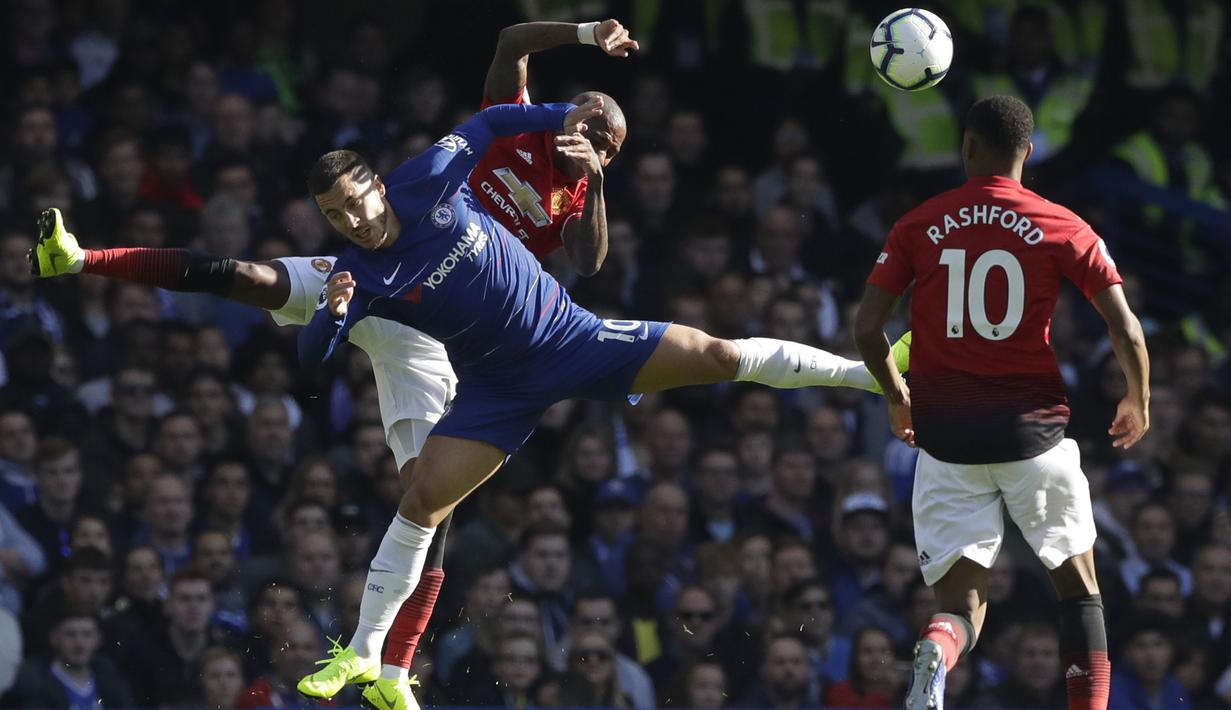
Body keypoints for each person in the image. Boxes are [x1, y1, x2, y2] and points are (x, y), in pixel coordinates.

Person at [292, 96, 901, 708]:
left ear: (377, 186)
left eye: (355, 202)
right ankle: (366, 651)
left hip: (570, 339)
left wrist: (562, 116)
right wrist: (331, 314)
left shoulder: (426, 178)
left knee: (716, 355)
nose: (353, 221)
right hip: (496, 387)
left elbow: (493, 119)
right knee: (422, 502)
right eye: (334, 215)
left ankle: (866, 375)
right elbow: (312, 354)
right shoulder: (357, 274)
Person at [854, 94, 1151, 710]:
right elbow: (1124, 328)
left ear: (967, 146)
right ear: (1029, 153)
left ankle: (937, 649)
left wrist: (896, 395)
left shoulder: (918, 223)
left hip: (946, 440)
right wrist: (1138, 398)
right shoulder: (1062, 224)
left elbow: (866, 328)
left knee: (960, 607)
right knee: (1080, 592)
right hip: (1032, 436)